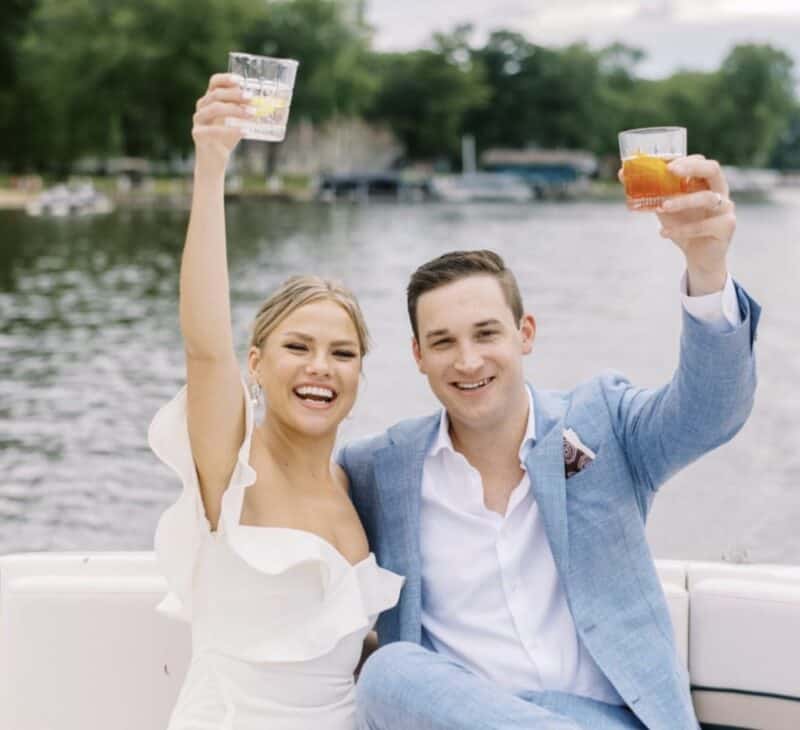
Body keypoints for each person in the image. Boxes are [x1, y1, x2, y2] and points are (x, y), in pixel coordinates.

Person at [340, 160, 759, 730]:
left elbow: (711, 412)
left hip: (614, 719)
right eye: (443, 342)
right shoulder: (377, 468)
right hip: (471, 719)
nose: (467, 361)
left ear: (525, 334)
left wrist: (707, 267)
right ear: (418, 357)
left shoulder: (603, 423)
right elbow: (267, 478)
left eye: (487, 333)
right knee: (390, 674)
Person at [147, 73, 403, 730]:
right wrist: (211, 167)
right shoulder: (232, 466)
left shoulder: (358, 486)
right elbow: (206, 344)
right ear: (256, 366)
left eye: (343, 354)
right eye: (298, 347)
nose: (321, 368)